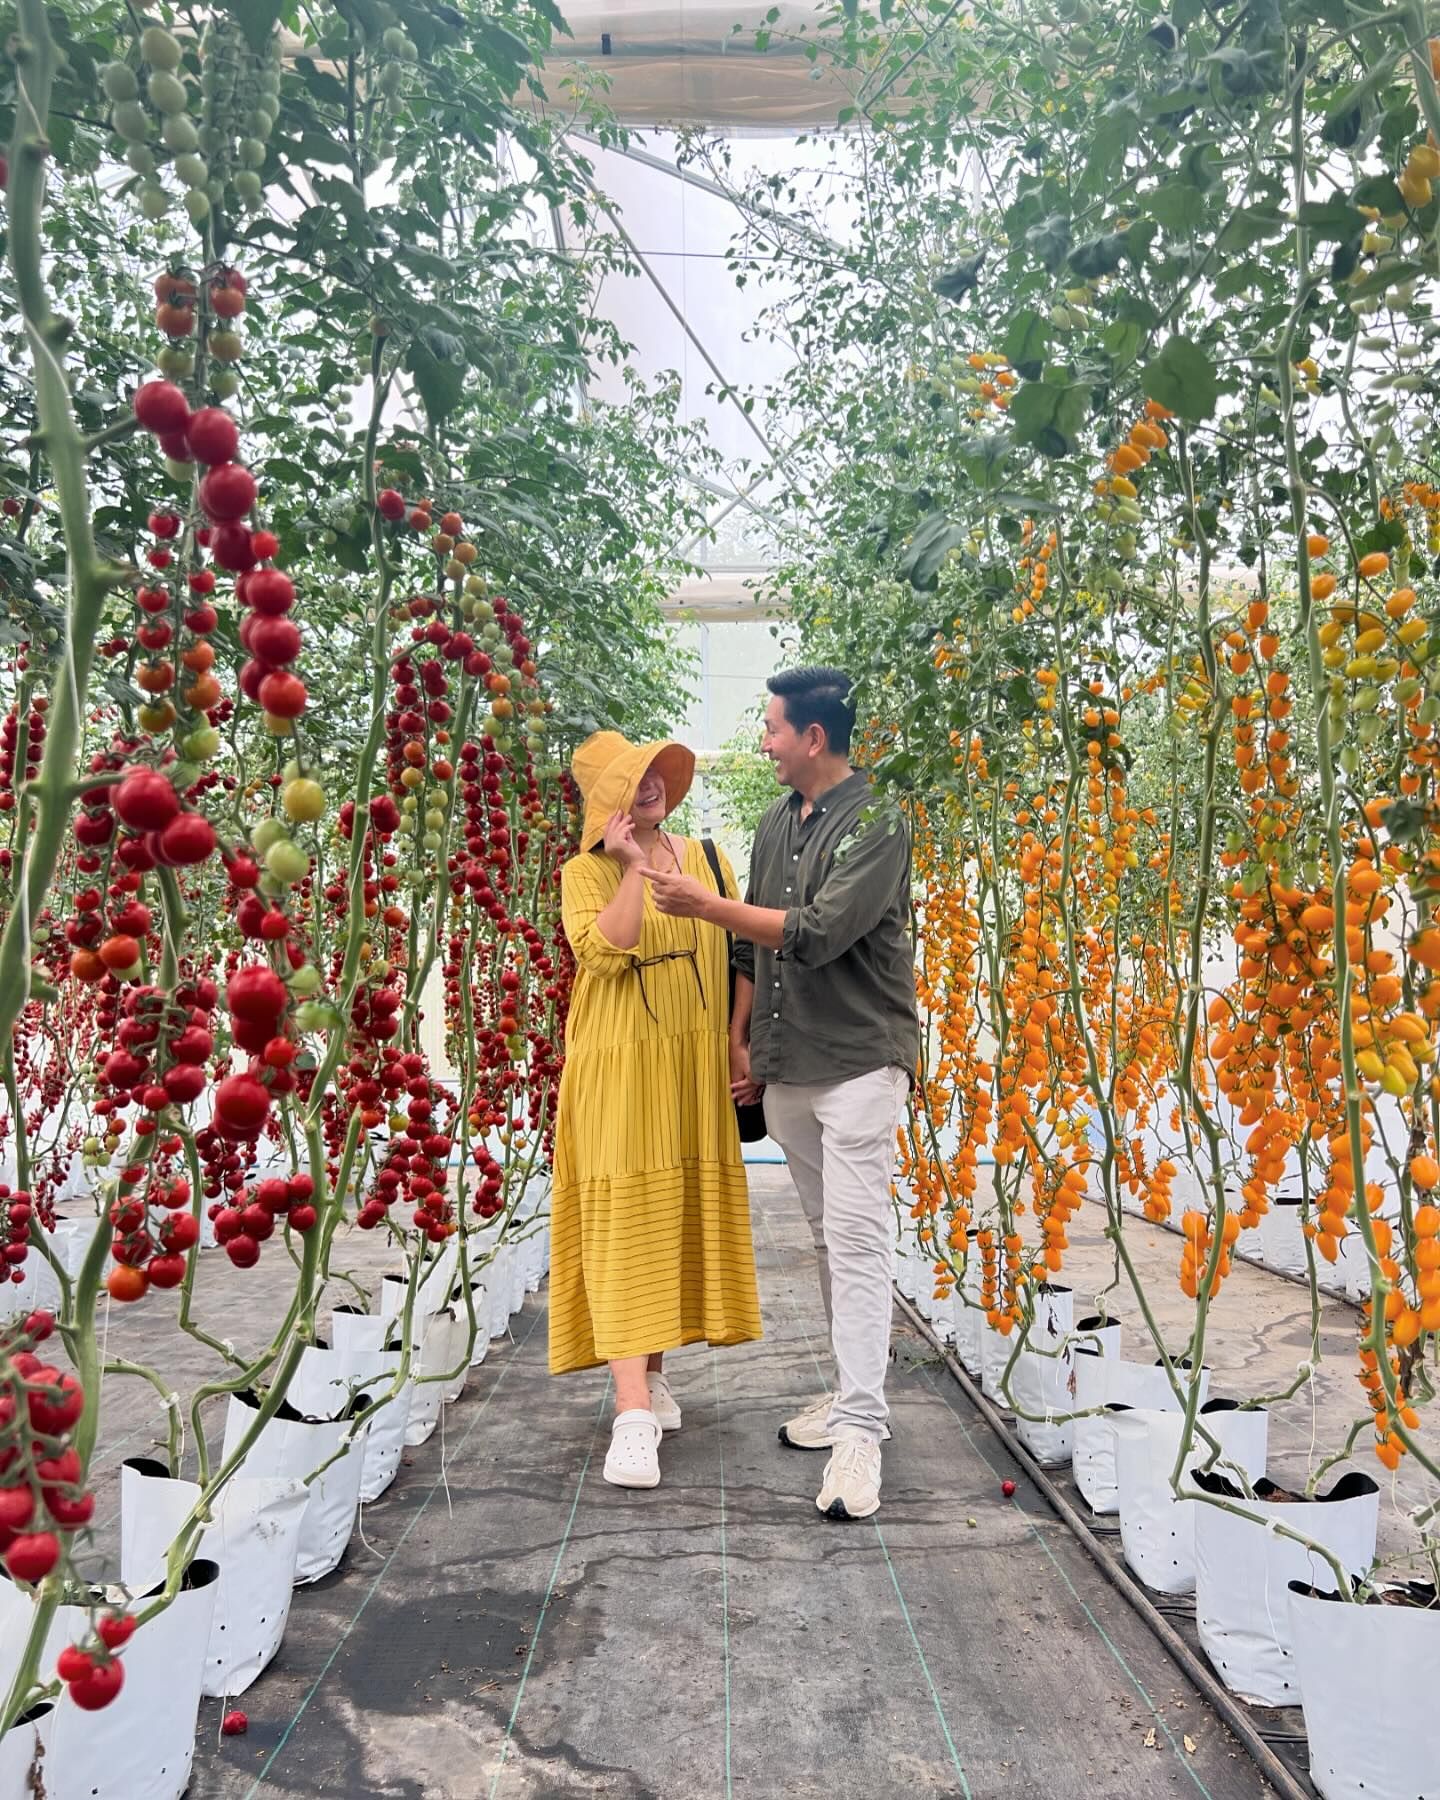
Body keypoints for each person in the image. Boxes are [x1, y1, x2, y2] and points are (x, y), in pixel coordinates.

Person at [644, 667, 919, 1521]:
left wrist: (705, 905)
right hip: (792, 1062)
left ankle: (862, 1432)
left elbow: (817, 932)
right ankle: (849, 1394)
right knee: (831, 1240)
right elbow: (755, 951)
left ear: (813, 737)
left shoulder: (878, 820)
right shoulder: (774, 822)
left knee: (858, 1240)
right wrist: (744, 1041)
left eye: (771, 729)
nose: (763, 742)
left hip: (860, 1061)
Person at [550, 729, 763, 1490]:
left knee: (668, 1216)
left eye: (653, 773)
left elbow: (744, 949)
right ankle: (631, 1413)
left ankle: (654, 1373)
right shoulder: (585, 872)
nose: (650, 786)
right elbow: (607, 950)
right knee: (625, 1222)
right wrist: (632, 866)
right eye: (632, 779)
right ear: (608, 799)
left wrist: (739, 1041)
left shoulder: (708, 858)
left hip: (691, 1063)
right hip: (618, 1064)